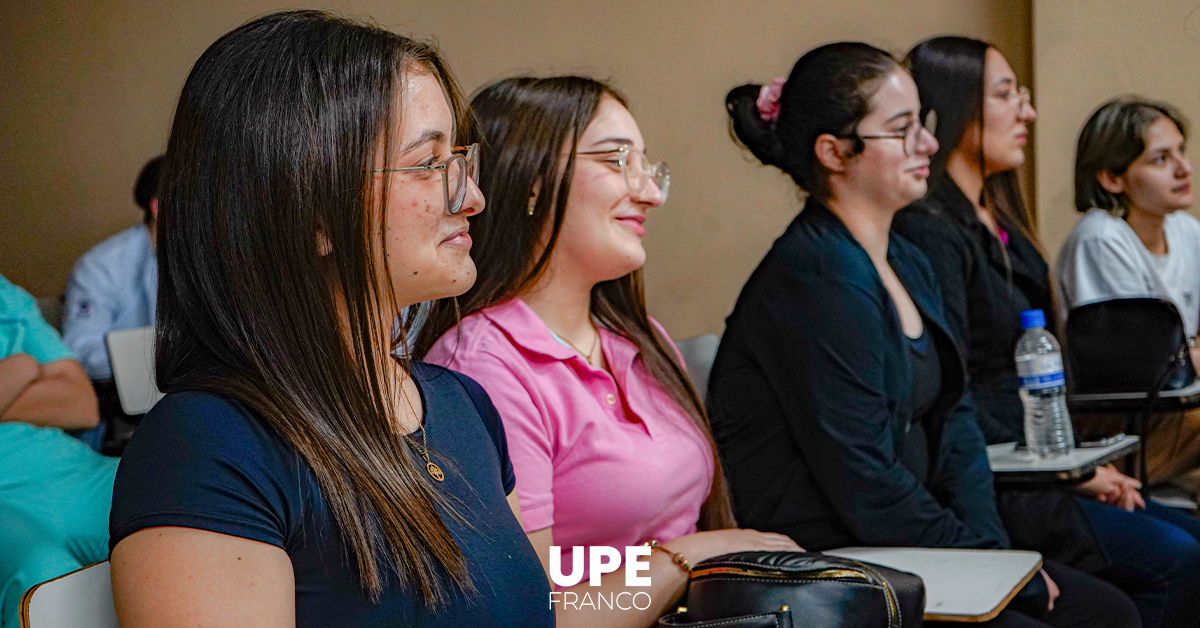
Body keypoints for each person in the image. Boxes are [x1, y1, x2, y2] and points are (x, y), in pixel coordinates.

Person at [107, 11, 552, 627]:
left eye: (461, 160)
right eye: (428, 165)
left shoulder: (462, 404)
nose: (471, 197)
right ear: (308, 208)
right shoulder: (212, 446)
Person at [710, 41, 1140, 627]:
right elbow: (862, 476)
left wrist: (996, 554)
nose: (929, 145)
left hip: (902, 538)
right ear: (835, 152)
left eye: (924, 124)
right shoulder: (817, 278)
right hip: (828, 557)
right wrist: (988, 565)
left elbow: (954, 421)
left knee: (1104, 610)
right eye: (903, 129)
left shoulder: (906, 259)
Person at [418, 75, 800, 628]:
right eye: (618, 160)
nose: (649, 192)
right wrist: (686, 558)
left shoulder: (636, 337)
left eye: (648, 167)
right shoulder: (484, 365)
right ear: (531, 180)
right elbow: (538, 614)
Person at [892, 36, 1200, 628]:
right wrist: (1074, 471)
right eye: (1007, 95)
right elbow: (958, 394)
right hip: (1006, 480)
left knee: (1188, 542)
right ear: (956, 108)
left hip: (1041, 460)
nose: (1027, 112)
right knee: (1178, 560)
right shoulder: (932, 231)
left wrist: (1076, 464)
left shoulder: (998, 219)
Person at [1057, 97, 1200, 496]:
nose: (1184, 168)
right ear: (1111, 179)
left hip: (1176, 411)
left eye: (1181, 152)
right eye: (1160, 159)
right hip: (1117, 428)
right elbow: (1147, 371)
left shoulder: (1187, 230)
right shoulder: (1100, 239)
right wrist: (1188, 355)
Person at [0, 273, 116, 628]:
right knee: (45, 576)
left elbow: (80, 405)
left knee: (187, 500)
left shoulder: (5, 295)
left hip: (76, 471)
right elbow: (34, 372)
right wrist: (21, 368)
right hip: (7, 501)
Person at [62, 155, 161, 382]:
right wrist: (156, 359)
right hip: (127, 396)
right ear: (158, 206)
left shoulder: (219, 256)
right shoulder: (100, 266)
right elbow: (81, 349)